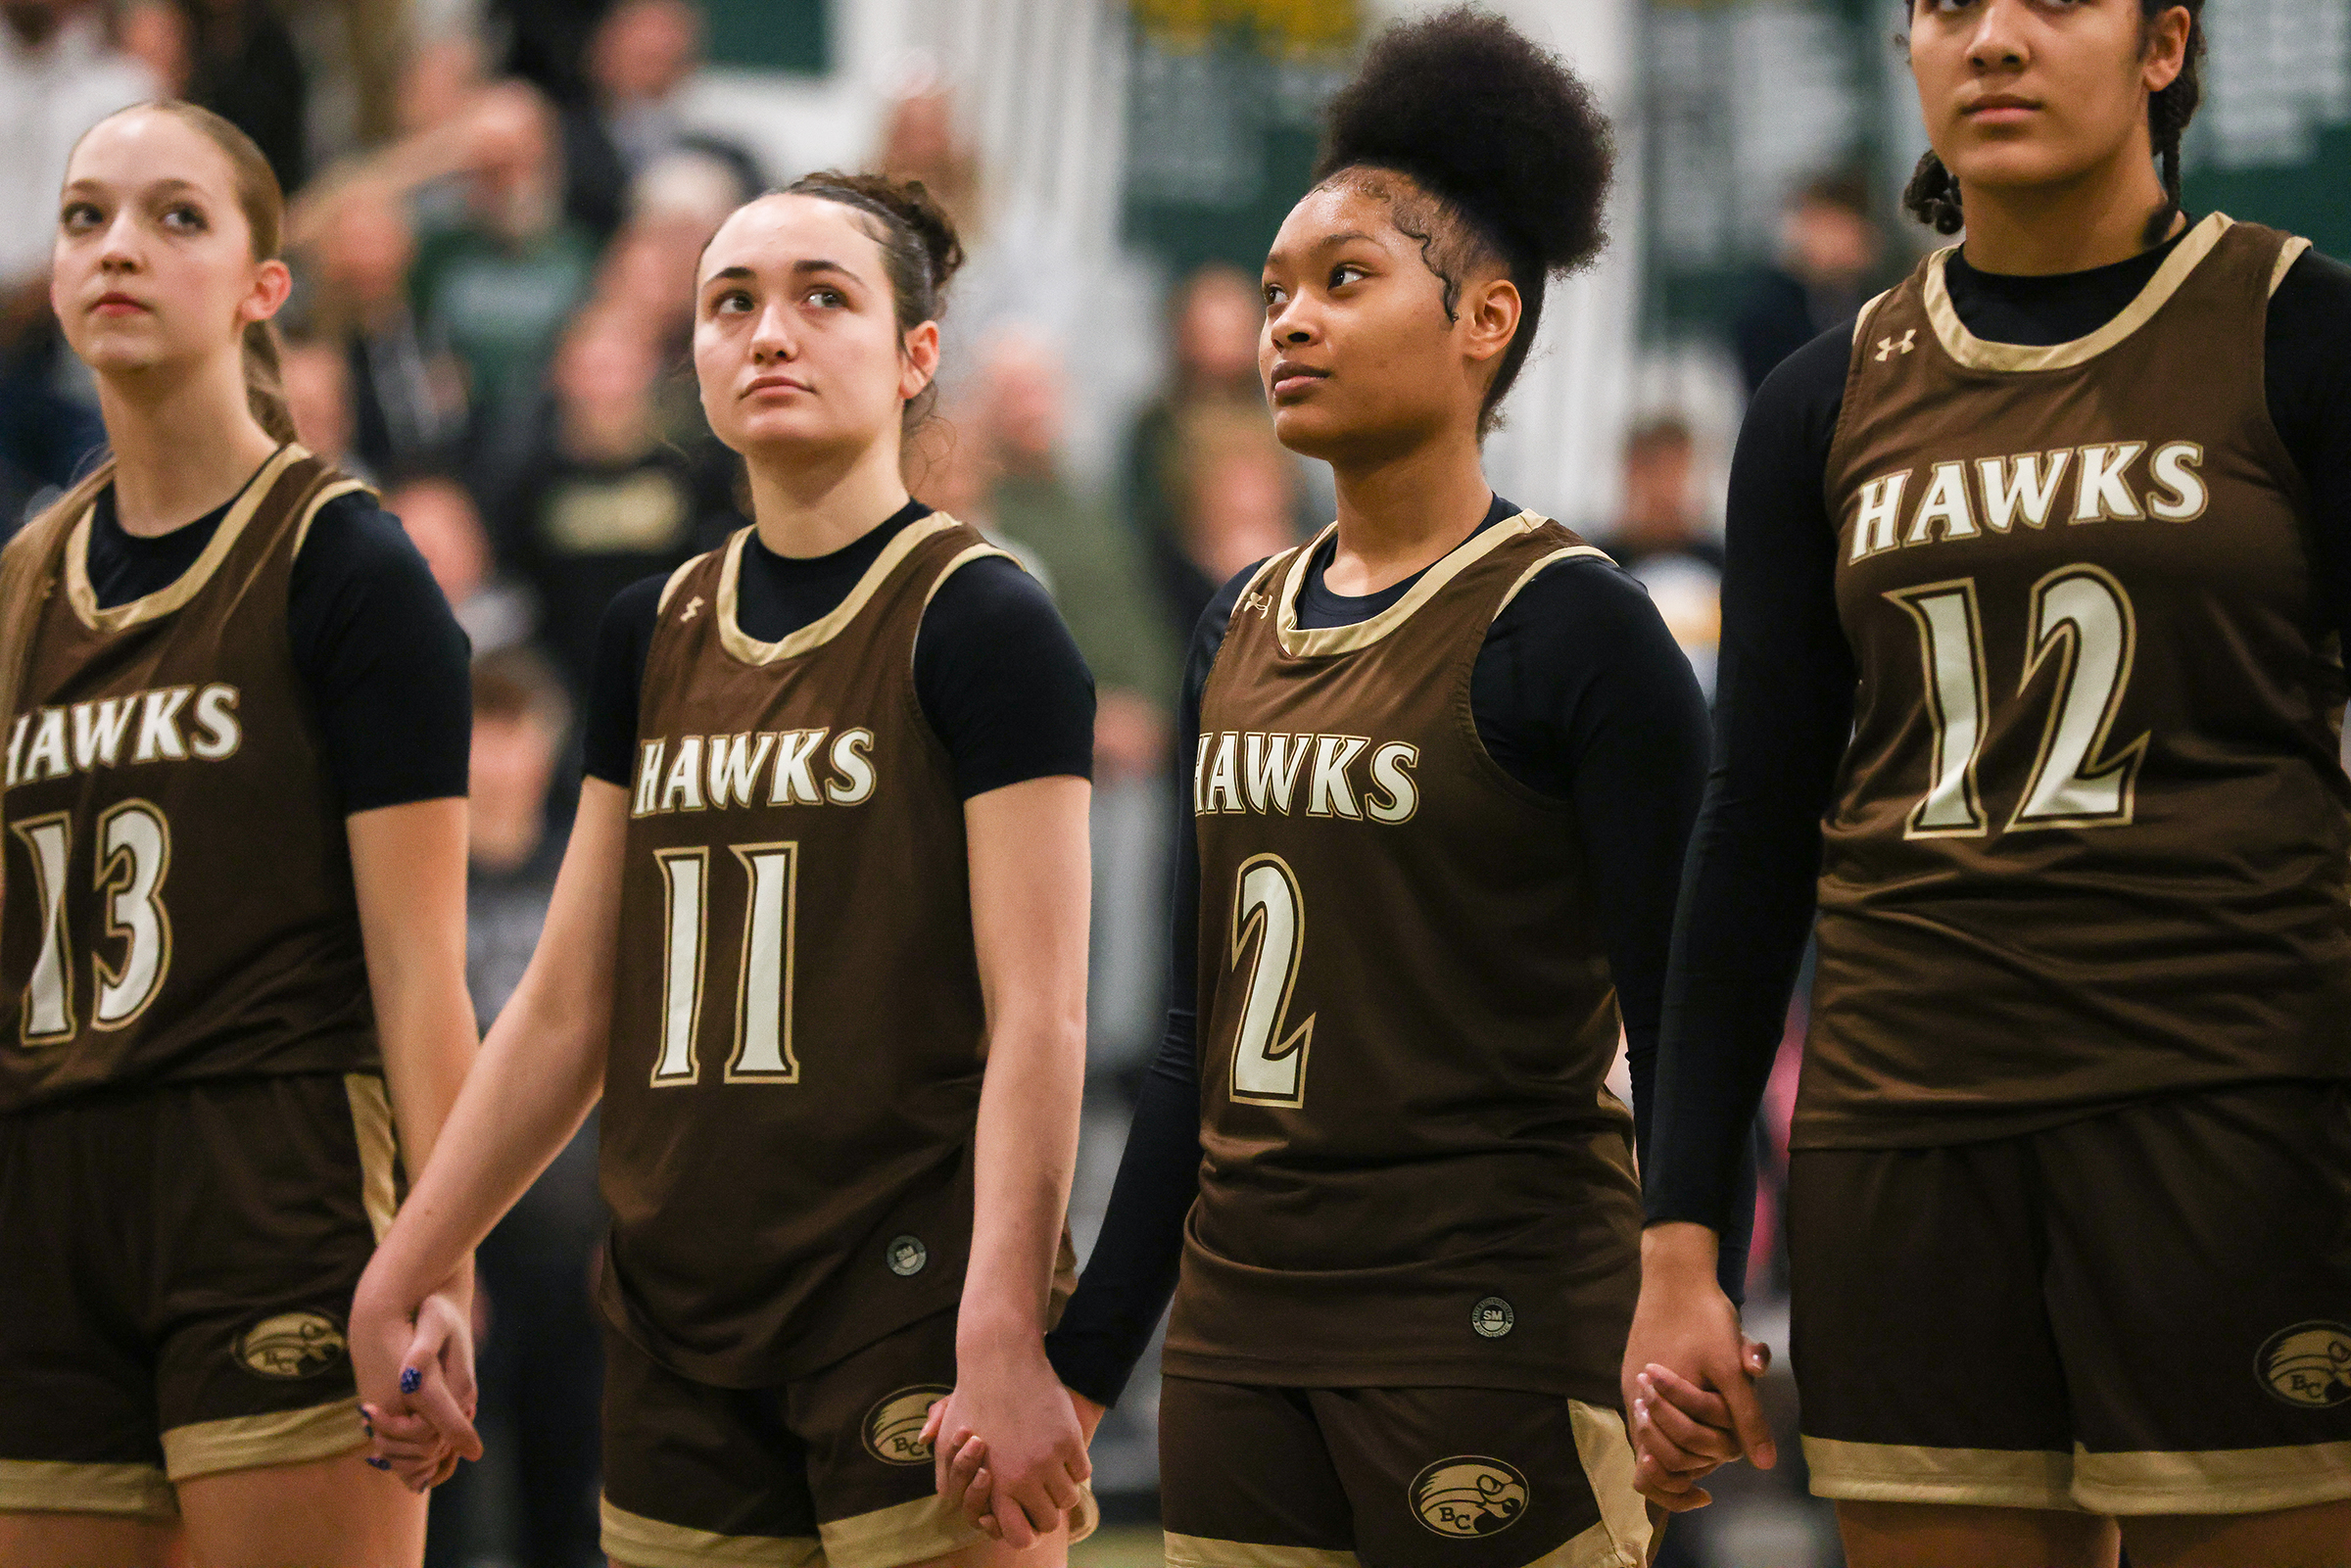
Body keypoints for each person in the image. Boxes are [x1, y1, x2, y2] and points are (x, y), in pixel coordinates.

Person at [944, 14, 1743, 1568]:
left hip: (1495, 1314)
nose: (1286, 324)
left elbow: (1685, 1007)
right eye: (1272, 292)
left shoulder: (1574, 624)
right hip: (1244, 1335)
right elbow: (1195, 1042)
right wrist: (1090, 1359)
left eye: (1345, 280)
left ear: (1486, 320)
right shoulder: (1232, 622)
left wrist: (1687, 1277)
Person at [1625, 0, 2351, 1561]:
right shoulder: (1821, 400)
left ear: (2165, 47)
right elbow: (1751, 832)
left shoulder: (2304, 331)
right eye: (1950, 5)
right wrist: (1682, 1234)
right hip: (1906, 1140)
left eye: (2052, 1)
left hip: (2233, 1123)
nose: (1995, 39)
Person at [349, 169, 1104, 1568]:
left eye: (825, 298)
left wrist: (1004, 1321)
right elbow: (571, 1007)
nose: (771, 331)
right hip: (678, 1308)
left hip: (908, 1300)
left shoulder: (986, 618)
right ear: (690, 354)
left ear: (915, 354)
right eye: (732, 302)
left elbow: (1043, 1015)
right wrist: (409, 1259)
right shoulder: (652, 628)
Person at [0, 100, 476, 1563]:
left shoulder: (344, 560)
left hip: (274, 1184)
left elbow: (421, 970)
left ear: (266, 285)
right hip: (43, 1192)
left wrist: (448, 1269)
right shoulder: (20, 579)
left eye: (173, 217)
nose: (118, 249)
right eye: (86, 217)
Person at [1729, 170, 1883, 400]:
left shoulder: (1877, 308)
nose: (1831, 243)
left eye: (1839, 229)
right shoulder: (1769, 315)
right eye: (1822, 228)